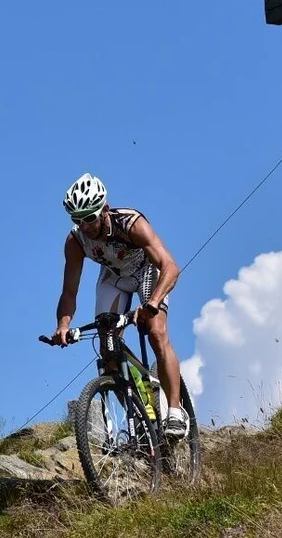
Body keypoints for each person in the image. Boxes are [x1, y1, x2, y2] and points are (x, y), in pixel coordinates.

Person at [48, 172, 187, 436]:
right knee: (108, 349)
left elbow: (170, 266)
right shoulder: (76, 242)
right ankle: (142, 414)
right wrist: (63, 325)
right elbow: (69, 292)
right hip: (115, 276)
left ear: (105, 210)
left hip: (148, 270)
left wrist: (153, 303)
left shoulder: (131, 223)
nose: (84, 225)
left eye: (89, 217)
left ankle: (174, 411)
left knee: (157, 333)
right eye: (77, 220)